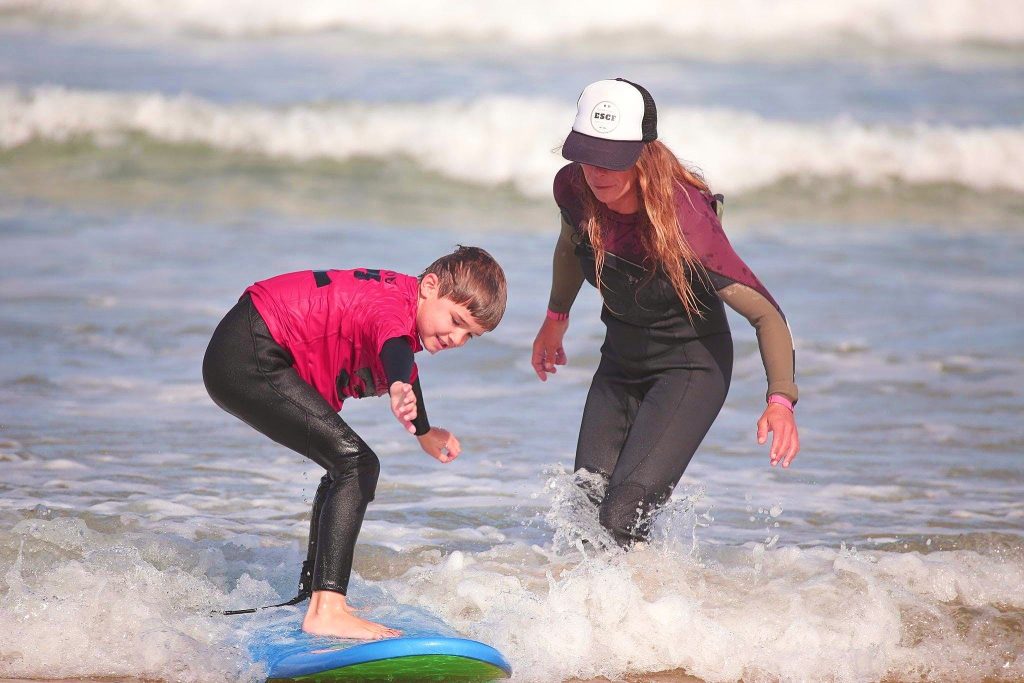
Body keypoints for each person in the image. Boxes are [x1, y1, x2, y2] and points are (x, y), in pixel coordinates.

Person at [532, 79, 800, 547]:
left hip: (690, 370)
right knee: (582, 515)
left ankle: (656, 614)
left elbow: (767, 315)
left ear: (642, 152)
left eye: (610, 158)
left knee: (620, 516)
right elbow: (570, 244)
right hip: (620, 362)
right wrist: (556, 320)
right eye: (587, 154)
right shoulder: (574, 188)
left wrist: (780, 401)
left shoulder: (686, 222)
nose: (596, 172)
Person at [203, 246, 506, 639]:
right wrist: (396, 384)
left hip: (248, 345)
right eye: (456, 321)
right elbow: (394, 349)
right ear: (430, 286)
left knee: (343, 463)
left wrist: (425, 432)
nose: (457, 338)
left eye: (470, 335)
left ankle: (314, 595)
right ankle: (326, 606)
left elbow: (403, 360)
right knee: (357, 464)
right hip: (249, 352)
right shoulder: (393, 309)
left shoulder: (400, 301)